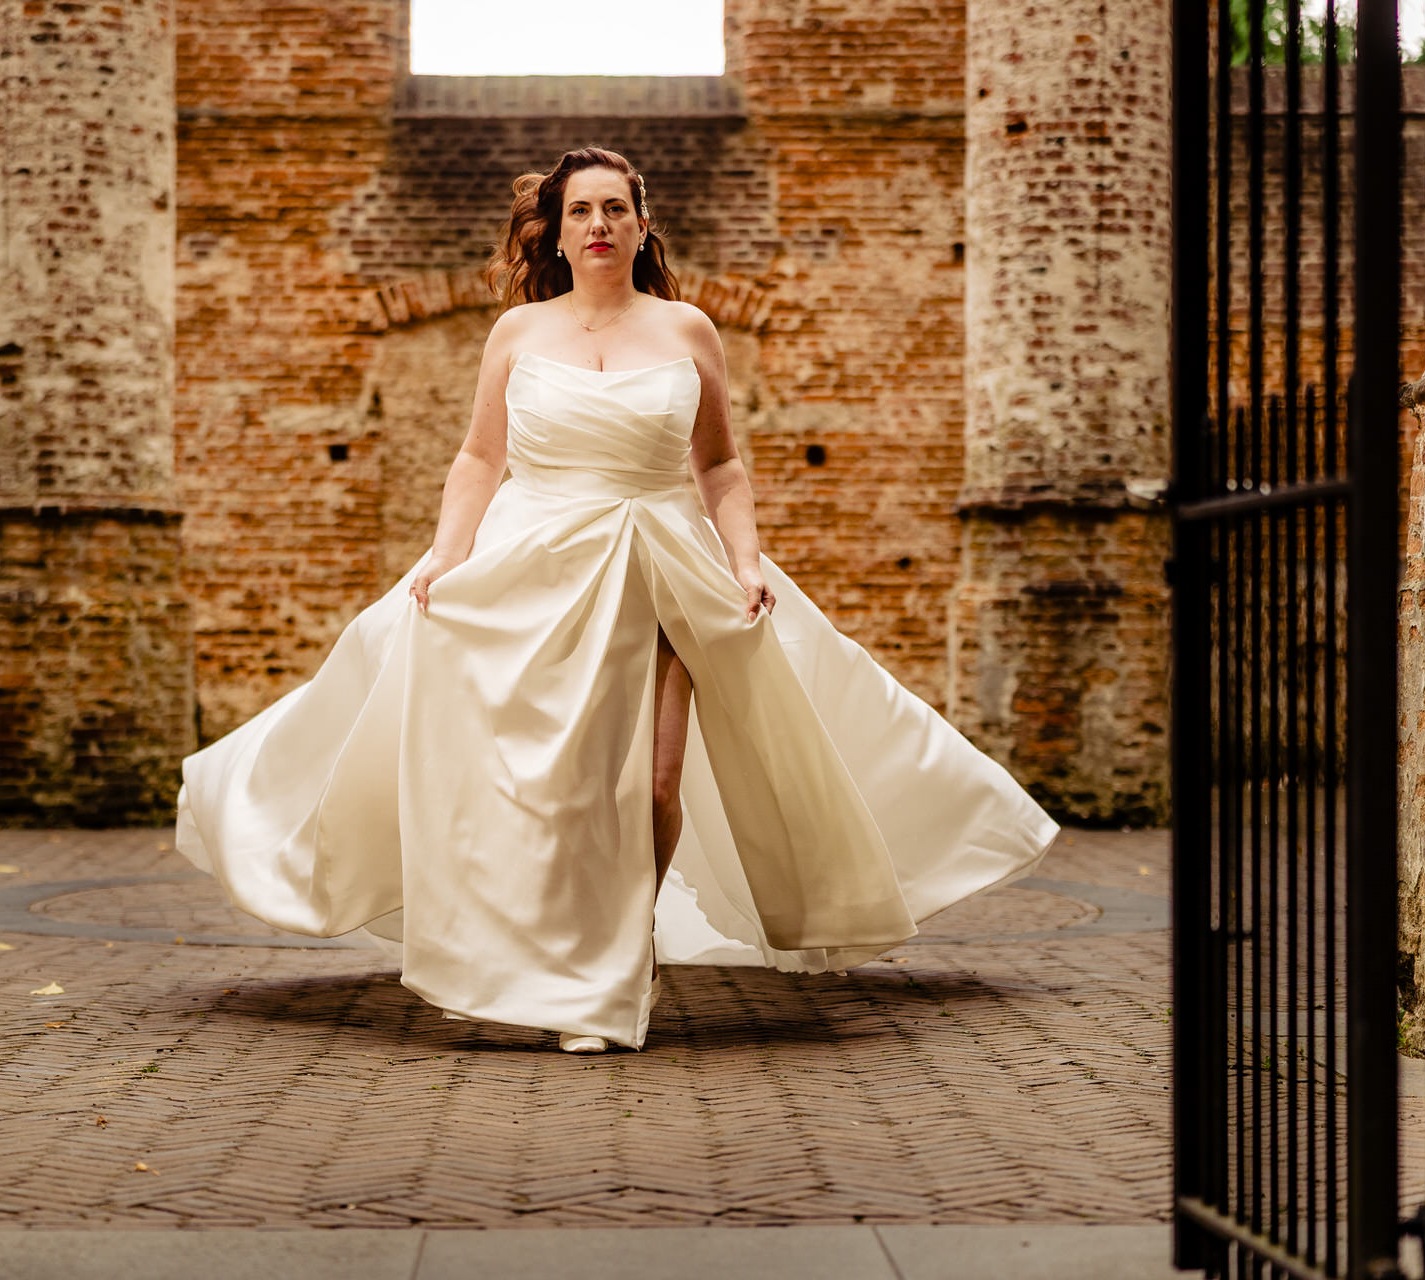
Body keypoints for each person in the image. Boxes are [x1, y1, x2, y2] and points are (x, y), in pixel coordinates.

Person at [176, 146, 1059, 1055]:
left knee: (655, 783)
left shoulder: (688, 330)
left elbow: (720, 464)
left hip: (663, 561)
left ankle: (624, 942)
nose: (598, 225)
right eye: (580, 211)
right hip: (536, 569)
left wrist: (745, 561)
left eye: (614, 209)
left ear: (641, 226)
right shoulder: (517, 333)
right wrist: (446, 554)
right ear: (557, 235)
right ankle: (568, 967)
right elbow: (480, 456)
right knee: (556, 782)